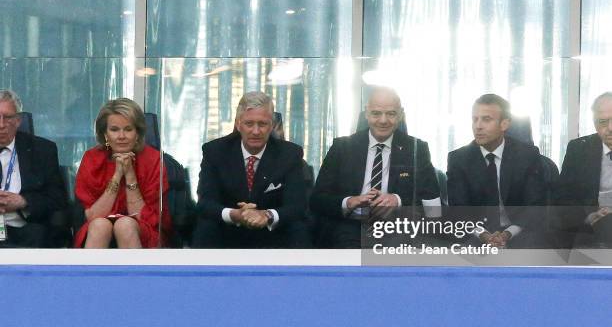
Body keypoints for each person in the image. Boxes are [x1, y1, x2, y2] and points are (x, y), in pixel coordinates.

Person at [310, 86, 441, 248]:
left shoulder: (416, 149)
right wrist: (349, 202)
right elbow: (317, 200)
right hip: (349, 227)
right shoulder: (342, 147)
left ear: (400, 114)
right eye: (376, 113)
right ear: (366, 113)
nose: (383, 120)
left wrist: (397, 201)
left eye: (391, 113)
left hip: (397, 229)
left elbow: (433, 207)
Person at [192, 91, 310, 248]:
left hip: (272, 232)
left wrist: (266, 215)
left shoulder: (289, 154)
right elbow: (205, 203)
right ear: (238, 124)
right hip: (228, 230)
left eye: (262, 124)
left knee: (298, 229)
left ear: (272, 126)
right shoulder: (215, 151)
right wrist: (235, 215)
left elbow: (297, 206)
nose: (256, 131)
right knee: (206, 227)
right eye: (249, 124)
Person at [446, 93, 546, 248]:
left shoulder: (527, 155)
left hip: (519, 231)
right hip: (476, 234)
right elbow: (460, 210)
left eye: (486, 119)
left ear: (504, 124)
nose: (478, 126)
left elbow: (534, 206)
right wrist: (486, 236)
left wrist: (506, 234)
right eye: (475, 119)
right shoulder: (459, 159)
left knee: (536, 243)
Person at [74, 98, 172, 248]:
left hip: (144, 230)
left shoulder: (153, 160)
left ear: (137, 133)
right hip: (98, 227)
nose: (121, 136)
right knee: (100, 225)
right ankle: (90, 272)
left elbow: (144, 217)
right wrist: (118, 174)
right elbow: (93, 216)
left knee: (125, 225)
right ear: (105, 134)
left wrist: (129, 173)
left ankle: (136, 272)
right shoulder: (92, 158)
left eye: (128, 129)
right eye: (114, 130)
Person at [0, 89, 67, 248]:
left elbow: (57, 199)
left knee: (39, 236)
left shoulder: (42, 150)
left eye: (8, 117)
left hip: (27, 230)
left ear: (18, 120)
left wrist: (23, 201)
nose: (1, 125)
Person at [556, 92, 612, 246]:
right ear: (595, 124)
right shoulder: (579, 149)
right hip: (591, 228)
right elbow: (563, 198)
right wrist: (589, 216)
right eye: (603, 122)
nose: (610, 128)